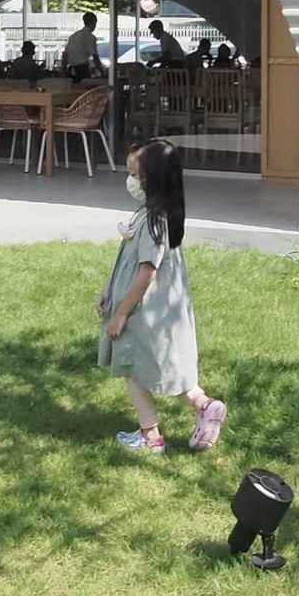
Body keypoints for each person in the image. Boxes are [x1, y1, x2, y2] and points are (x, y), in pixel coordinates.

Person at [96, 138, 227, 455]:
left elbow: (146, 271)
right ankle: (205, 405)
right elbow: (128, 256)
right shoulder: (156, 212)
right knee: (165, 367)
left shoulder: (154, 220)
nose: (130, 181)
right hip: (162, 311)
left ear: (151, 179)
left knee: (135, 370)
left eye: (134, 174)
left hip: (144, 312)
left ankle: (150, 435)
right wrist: (107, 287)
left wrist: (121, 313)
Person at [62, 10, 101, 76]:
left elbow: (65, 54)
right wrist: (100, 70)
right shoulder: (90, 37)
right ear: (94, 23)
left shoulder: (73, 36)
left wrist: (63, 70)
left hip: (71, 69)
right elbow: (95, 55)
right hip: (83, 70)